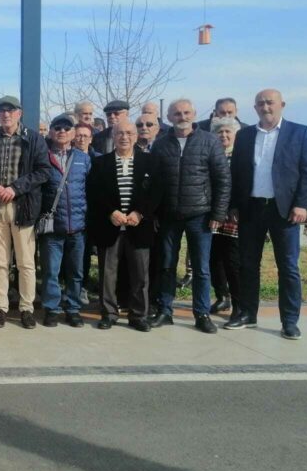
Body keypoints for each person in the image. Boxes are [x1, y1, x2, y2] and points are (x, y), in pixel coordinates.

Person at [226, 89, 307, 339]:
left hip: (284, 210)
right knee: (247, 265)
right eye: (260, 103)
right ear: (254, 108)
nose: (265, 107)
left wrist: (302, 204)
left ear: (282, 105)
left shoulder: (300, 132)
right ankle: (247, 314)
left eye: (270, 102)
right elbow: (237, 172)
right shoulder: (244, 136)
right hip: (251, 208)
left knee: (288, 267)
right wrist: (234, 205)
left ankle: (289, 320)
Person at [148, 98, 230, 333]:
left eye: (186, 113)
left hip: (200, 215)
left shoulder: (210, 141)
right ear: (169, 118)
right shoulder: (161, 144)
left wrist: (218, 212)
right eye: (176, 114)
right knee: (166, 265)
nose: (181, 117)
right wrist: (154, 212)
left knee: (202, 268)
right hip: (169, 215)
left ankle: (202, 314)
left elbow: (223, 179)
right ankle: (165, 310)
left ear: (193, 114)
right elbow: (154, 182)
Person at [0, 96, 50, 329]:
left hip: (23, 206)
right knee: (0, 262)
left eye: (11, 110)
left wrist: (16, 188)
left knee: (26, 262)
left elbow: (43, 171)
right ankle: (1, 308)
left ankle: (27, 308)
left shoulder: (33, 139)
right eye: (1, 111)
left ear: (19, 113)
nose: (6, 114)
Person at [86, 118, 160, 331]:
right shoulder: (101, 163)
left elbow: (157, 192)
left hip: (139, 227)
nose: (124, 137)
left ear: (136, 136)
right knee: (108, 275)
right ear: (113, 136)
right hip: (110, 227)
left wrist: (140, 213)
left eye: (129, 133)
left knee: (140, 275)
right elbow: (94, 192)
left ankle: (139, 316)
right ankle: (109, 313)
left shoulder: (150, 161)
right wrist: (111, 212)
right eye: (119, 133)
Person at [38, 114, 92, 328]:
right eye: (57, 128)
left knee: (75, 272)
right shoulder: (42, 157)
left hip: (78, 227)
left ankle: (73, 308)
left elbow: (90, 189)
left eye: (66, 128)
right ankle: (51, 309)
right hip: (53, 227)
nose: (62, 131)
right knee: (51, 272)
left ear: (73, 133)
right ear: (50, 132)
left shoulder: (83, 158)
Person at [208, 116, 241, 319]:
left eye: (228, 131)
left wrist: (235, 207)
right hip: (211, 214)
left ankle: (239, 303)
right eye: (220, 132)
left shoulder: (240, 157)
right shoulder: (211, 155)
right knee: (213, 258)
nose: (224, 135)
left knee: (232, 260)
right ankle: (222, 296)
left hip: (233, 215)